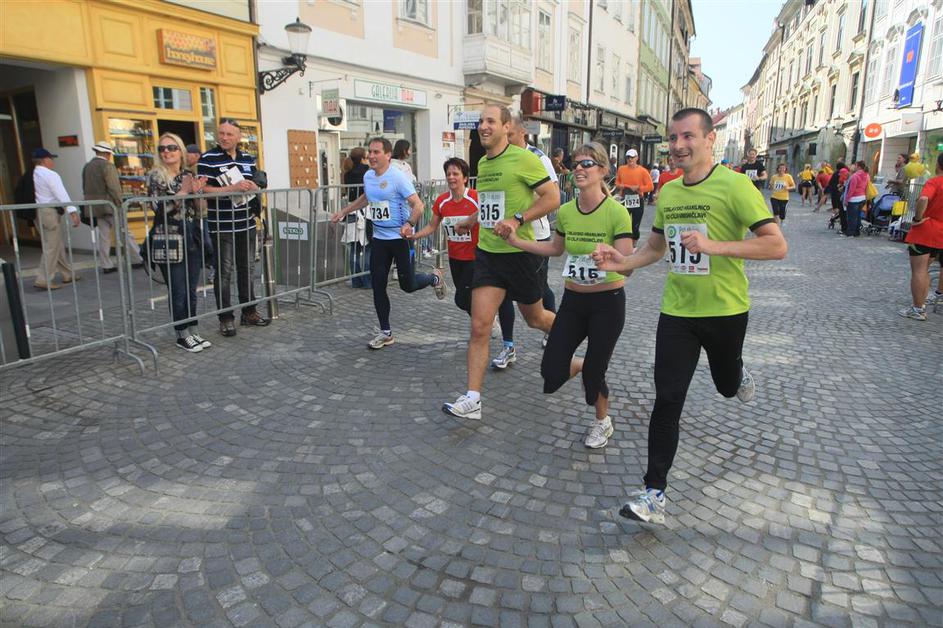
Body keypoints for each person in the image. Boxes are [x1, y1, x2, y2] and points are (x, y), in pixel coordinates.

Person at [593, 108, 788, 525]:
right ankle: (654, 493)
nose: (678, 145)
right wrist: (620, 261)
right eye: (673, 138)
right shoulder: (669, 191)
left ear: (709, 139)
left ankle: (737, 374)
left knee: (725, 385)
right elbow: (655, 249)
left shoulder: (736, 186)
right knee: (667, 400)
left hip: (725, 310)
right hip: (677, 312)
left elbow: (776, 245)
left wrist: (714, 246)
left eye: (688, 136)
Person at [505, 142, 633, 448]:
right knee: (551, 370)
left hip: (607, 303)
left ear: (603, 170)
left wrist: (611, 256)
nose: (578, 169)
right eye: (576, 164)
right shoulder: (566, 211)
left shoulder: (617, 213)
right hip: (574, 302)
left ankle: (602, 421)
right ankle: (589, 366)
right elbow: (555, 248)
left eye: (587, 164)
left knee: (594, 376)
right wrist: (518, 243)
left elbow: (628, 267)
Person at [441, 104, 559, 420]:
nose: (483, 126)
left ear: (507, 127)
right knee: (480, 326)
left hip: (520, 254)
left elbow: (552, 198)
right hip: (488, 254)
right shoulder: (482, 162)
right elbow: (490, 205)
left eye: (491, 121)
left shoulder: (525, 159)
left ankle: (568, 332)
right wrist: (471, 220)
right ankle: (473, 398)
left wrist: (517, 219)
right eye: (481, 121)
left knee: (536, 319)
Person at [329, 137, 446, 348]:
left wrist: (409, 223)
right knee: (378, 285)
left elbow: (418, 205)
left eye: (377, 152)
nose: (372, 156)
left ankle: (433, 278)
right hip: (380, 240)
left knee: (407, 285)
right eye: (370, 152)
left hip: (400, 240)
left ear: (388, 155)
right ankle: (386, 332)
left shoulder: (397, 177)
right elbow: (367, 197)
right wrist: (344, 211)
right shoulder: (368, 176)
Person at [491, 113, 559, 369]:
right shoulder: (497, 158)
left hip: (534, 236)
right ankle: (508, 346)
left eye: (510, 135)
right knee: (503, 294)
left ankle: (555, 331)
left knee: (540, 291)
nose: (506, 139)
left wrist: (520, 214)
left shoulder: (538, 158)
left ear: (522, 133)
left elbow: (552, 195)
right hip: (503, 238)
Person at [198, 119, 270, 336]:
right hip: (222, 225)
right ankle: (226, 317)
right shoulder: (208, 158)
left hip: (246, 223)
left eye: (229, 134)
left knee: (247, 269)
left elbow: (255, 183)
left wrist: (254, 186)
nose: (224, 137)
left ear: (238, 137)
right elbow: (202, 190)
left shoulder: (247, 158)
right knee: (224, 273)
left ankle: (249, 311)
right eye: (221, 133)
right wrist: (232, 188)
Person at [146, 132, 211, 352]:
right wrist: (184, 191)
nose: (167, 152)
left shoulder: (188, 174)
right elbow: (158, 208)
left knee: (191, 288)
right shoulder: (156, 176)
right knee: (178, 289)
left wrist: (198, 193)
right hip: (169, 237)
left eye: (172, 147)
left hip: (191, 234)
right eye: (162, 148)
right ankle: (182, 334)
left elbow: (200, 210)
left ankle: (193, 330)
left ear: (181, 151)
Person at [410, 158, 479, 314]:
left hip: (475, 257)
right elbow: (432, 226)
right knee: (464, 299)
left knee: (463, 298)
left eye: (455, 174)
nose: (451, 177)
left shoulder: (475, 197)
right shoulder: (442, 200)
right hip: (455, 257)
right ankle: (484, 322)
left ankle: (486, 321)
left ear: (465, 178)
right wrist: (414, 236)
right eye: (448, 174)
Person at [82, 140, 144, 274]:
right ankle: (136, 259)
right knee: (124, 232)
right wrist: (120, 202)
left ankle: (106, 264)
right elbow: (114, 187)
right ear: (107, 153)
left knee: (104, 236)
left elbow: (85, 187)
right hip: (110, 206)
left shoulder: (87, 167)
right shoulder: (108, 166)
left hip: (95, 207)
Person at [900, 152, 943, 320]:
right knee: (926, 269)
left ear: (938, 165)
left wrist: (917, 218)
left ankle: (918, 308)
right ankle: (923, 304)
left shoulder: (935, 182)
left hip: (927, 230)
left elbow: (923, 198)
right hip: (940, 234)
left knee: (919, 270)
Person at [30, 148, 81, 290]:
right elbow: (61, 193)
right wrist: (72, 211)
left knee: (55, 244)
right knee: (51, 246)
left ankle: (67, 273)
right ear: (44, 160)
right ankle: (43, 278)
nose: (52, 161)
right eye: (50, 158)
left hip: (39, 212)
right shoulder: (50, 174)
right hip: (49, 212)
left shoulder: (34, 174)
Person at [343, 146, 371, 289]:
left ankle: (356, 280)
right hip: (365, 211)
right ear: (363, 158)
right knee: (367, 247)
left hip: (351, 211)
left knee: (353, 248)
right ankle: (367, 280)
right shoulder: (367, 171)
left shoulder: (347, 173)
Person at [614, 148, 653, 243]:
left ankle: (634, 243)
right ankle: (624, 243)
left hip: (638, 199)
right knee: (623, 222)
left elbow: (650, 186)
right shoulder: (621, 169)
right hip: (625, 199)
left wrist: (639, 188)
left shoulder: (643, 171)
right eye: (628, 157)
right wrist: (621, 186)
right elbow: (617, 182)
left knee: (635, 225)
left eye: (632, 157)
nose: (630, 159)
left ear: (637, 158)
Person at [844, 161, 870, 237]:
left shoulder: (855, 176)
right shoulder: (866, 175)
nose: (854, 167)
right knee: (858, 216)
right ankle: (857, 232)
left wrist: (846, 199)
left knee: (851, 217)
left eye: (855, 165)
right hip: (862, 198)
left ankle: (850, 232)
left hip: (854, 199)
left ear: (858, 166)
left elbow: (851, 189)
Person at [826, 162, 849, 231]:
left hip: (835, 193)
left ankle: (833, 219)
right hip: (840, 193)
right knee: (841, 209)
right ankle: (839, 220)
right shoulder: (845, 173)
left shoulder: (835, 173)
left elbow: (830, 183)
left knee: (836, 208)